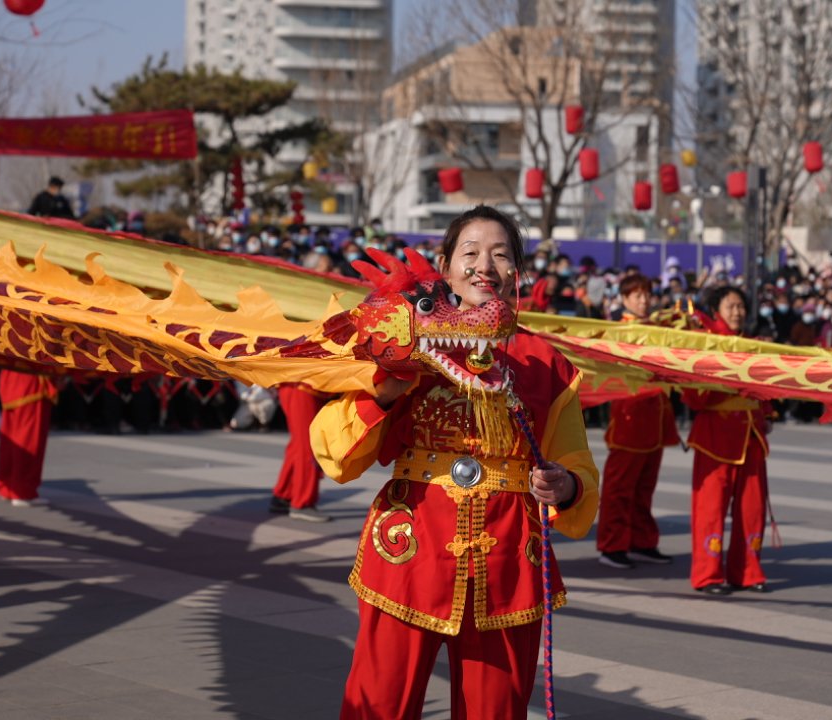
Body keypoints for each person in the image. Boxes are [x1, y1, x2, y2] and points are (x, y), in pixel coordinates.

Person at [312, 205, 599, 719]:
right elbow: (335, 452)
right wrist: (384, 392)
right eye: (470, 252)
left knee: (496, 709)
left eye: (500, 254)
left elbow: (578, 464)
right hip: (407, 552)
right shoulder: (405, 343)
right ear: (444, 265)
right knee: (379, 702)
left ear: (517, 271)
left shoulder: (546, 364)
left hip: (509, 562)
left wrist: (567, 486)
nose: (484, 265)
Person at [683, 287, 772, 595]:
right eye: (730, 306)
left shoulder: (751, 345)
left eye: (741, 306)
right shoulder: (705, 343)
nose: (737, 311)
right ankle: (708, 574)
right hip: (715, 437)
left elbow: (763, 387)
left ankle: (747, 571)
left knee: (752, 506)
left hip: (751, 434)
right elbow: (693, 396)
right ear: (717, 309)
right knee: (711, 507)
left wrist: (768, 413)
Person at [597, 275, 679, 569]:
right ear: (624, 299)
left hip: (657, 417)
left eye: (647, 295)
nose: (643, 300)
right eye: (636, 295)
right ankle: (611, 545)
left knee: (645, 487)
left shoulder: (659, 328)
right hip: (630, 417)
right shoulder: (618, 331)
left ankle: (642, 541)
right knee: (620, 488)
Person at [270, 383, 332, 522]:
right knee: (309, 445)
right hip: (302, 384)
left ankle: (285, 494)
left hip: (302, 383)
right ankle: (302, 502)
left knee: (300, 443)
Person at [0, 370, 58, 506]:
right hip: (31, 379)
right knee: (29, 439)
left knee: (11, 438)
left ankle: (8, 487)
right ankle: (22, 491)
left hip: (11, 376)